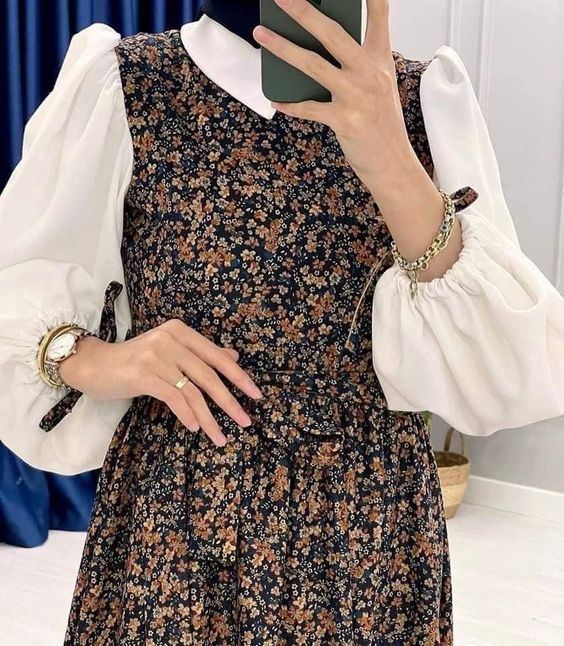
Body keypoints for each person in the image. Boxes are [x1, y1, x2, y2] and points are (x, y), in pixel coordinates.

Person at [1, 0, 563, 643]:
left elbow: (504, 366)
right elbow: (19, 281)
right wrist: (92, 357)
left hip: (368, 530)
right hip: (179, 519)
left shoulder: (422, 98)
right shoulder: (131, 84)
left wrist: (389, 153)